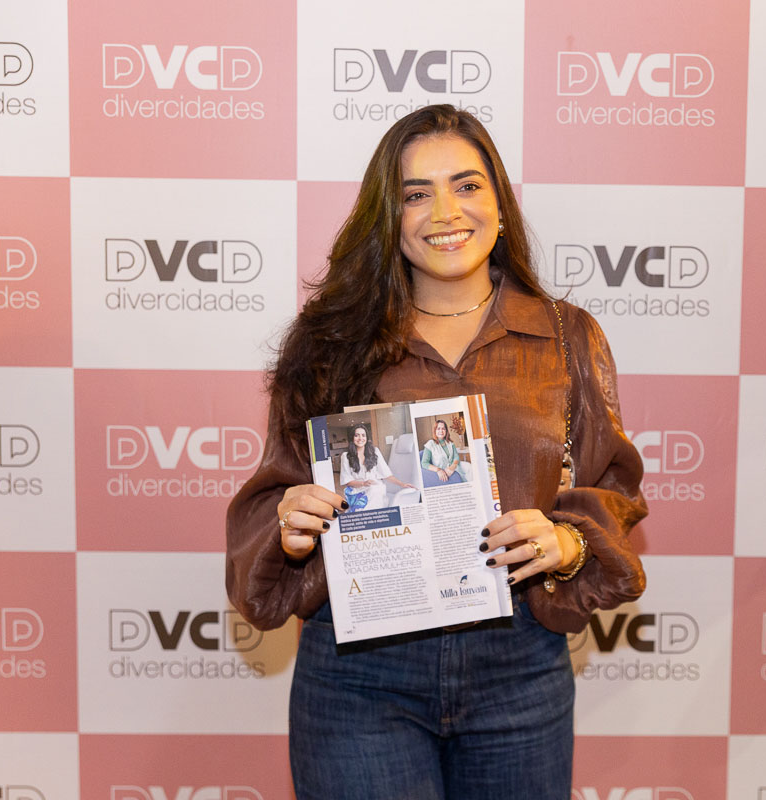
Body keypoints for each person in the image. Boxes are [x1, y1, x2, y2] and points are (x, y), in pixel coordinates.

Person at [226, 104, 647, 800]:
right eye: (416, 193)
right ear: (388, 217)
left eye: (467, 185)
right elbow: (277, 492)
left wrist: (568, 541)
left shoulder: (567, 336)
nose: (445, 211)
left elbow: (614, 489)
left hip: (519, 668)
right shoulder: (329, 339)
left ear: (500, 205)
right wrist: (291, 524)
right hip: (359, 674)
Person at [337, 422, 413, 510]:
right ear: (352, 438)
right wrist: (363, 483)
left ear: (367, 438)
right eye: (357, 435)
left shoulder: (375, 452)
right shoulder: (345, 456)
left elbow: (386, 475)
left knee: (374, 490)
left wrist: (402, 484)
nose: (360, 438)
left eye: (363, 435)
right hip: (357, 490)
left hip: (375, 490)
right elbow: (347, 481)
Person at [421, 419, 466, 483]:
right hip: (443, 473)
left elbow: (456, 457)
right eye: (438, 428)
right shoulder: (430, 444)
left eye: (443, 429)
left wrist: (453, 466)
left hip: (455, 469)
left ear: (446, 431)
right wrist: (438, 470)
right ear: (435, 430)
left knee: (469, 468)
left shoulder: (450, 443)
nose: (441, 431)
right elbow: (424, 463)